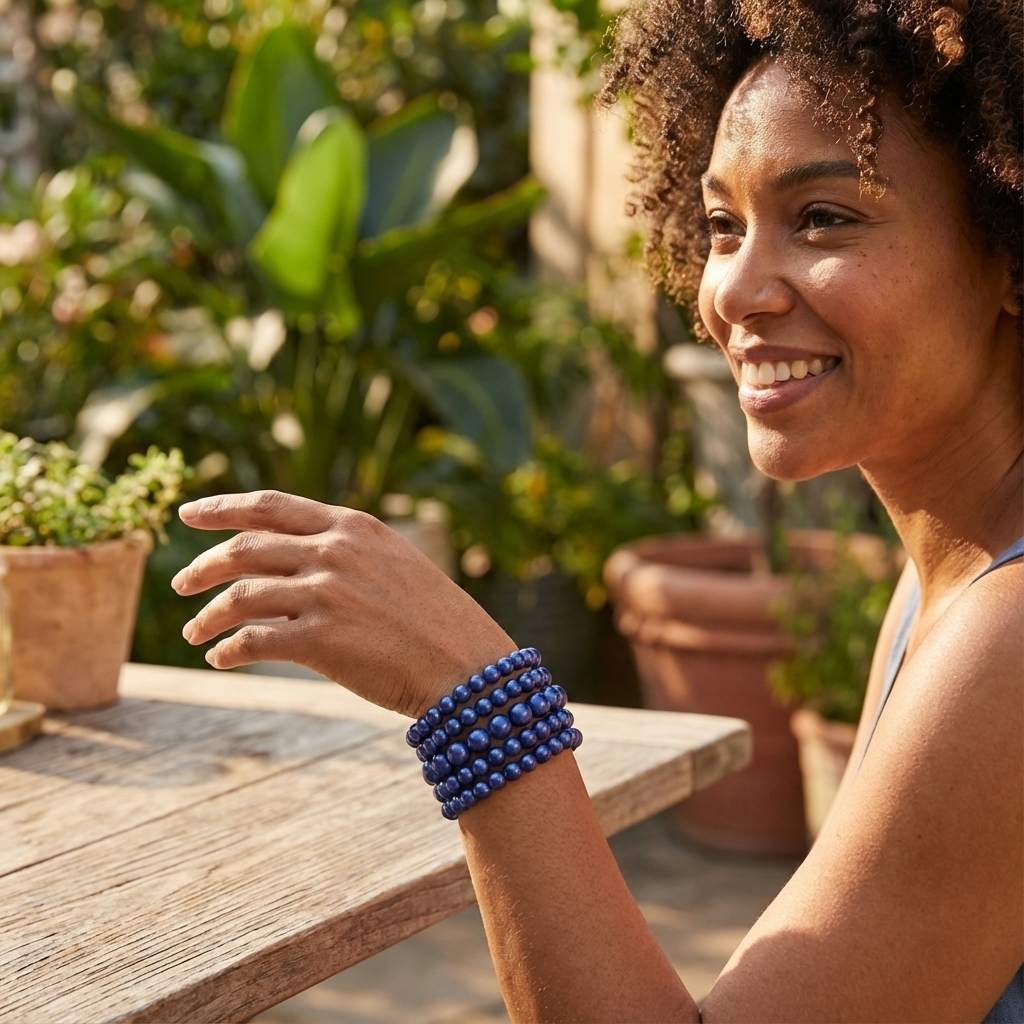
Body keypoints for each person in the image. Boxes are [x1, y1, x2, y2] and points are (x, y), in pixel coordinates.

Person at [170, 0, 1022, 1019]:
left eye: (824, 217)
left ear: (1006, 250)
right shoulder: (955, 570)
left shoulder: (1008, 638)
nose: (736, 292)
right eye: (720, 225)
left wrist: (478, 702)